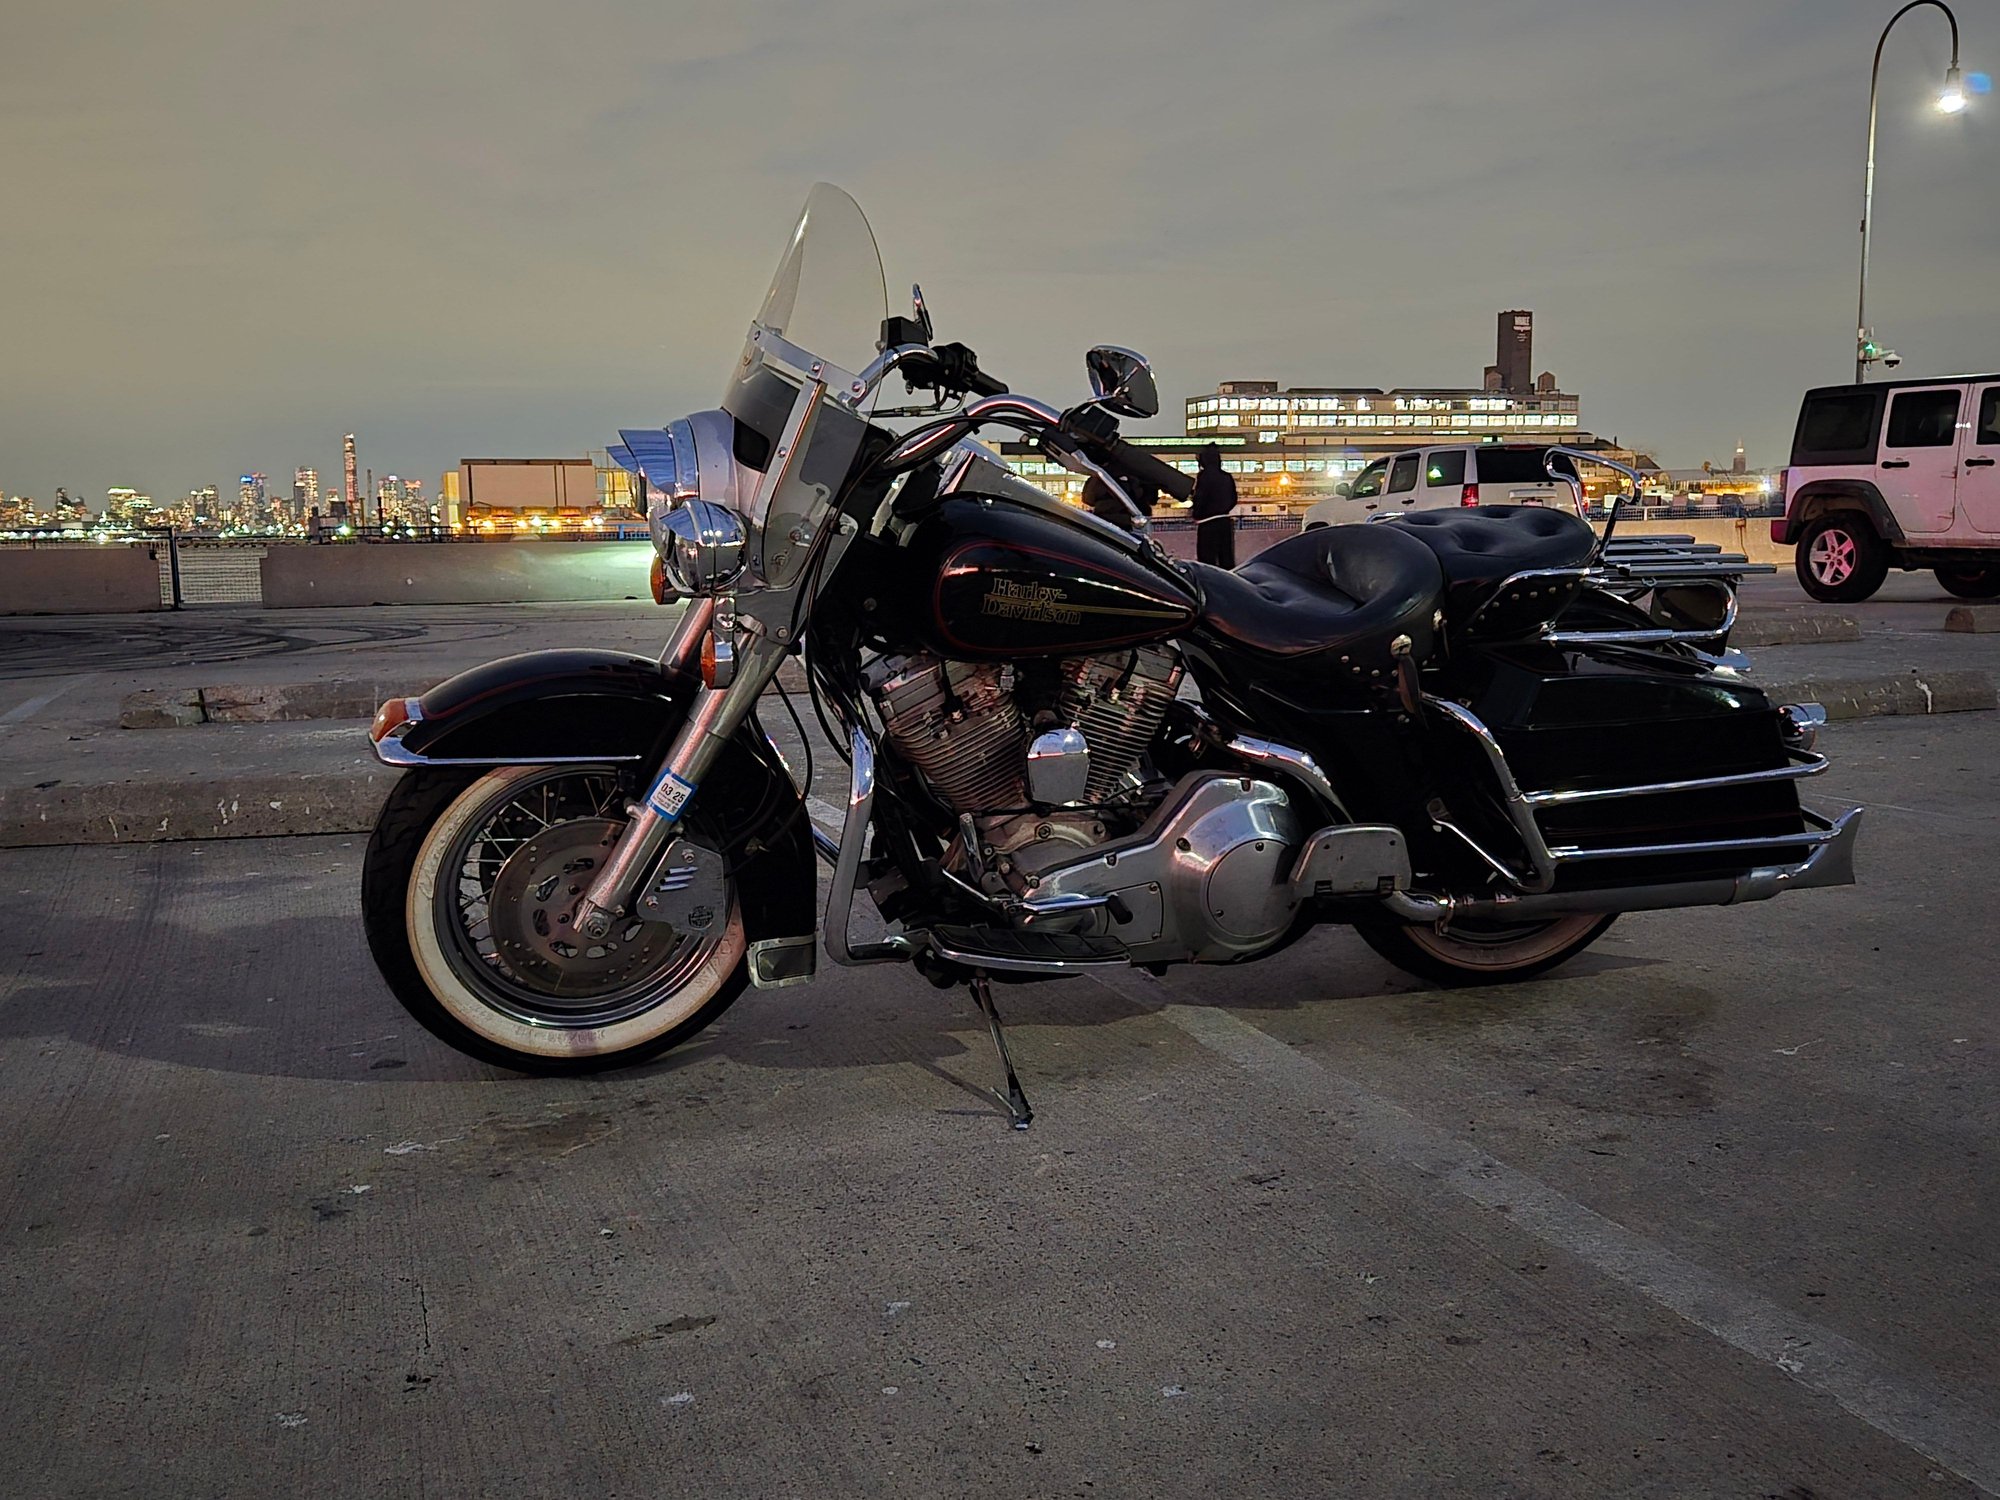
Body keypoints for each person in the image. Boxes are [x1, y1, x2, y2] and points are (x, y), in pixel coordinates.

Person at [1190, 443, 1237, 568]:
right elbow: (1233, 499)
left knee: (1207, 562)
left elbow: (1200, 499)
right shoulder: (1227, 477)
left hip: (1207, 523)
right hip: (1225, 521)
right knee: (1226, 559)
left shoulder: (1204, 477)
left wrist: (1196, 513)